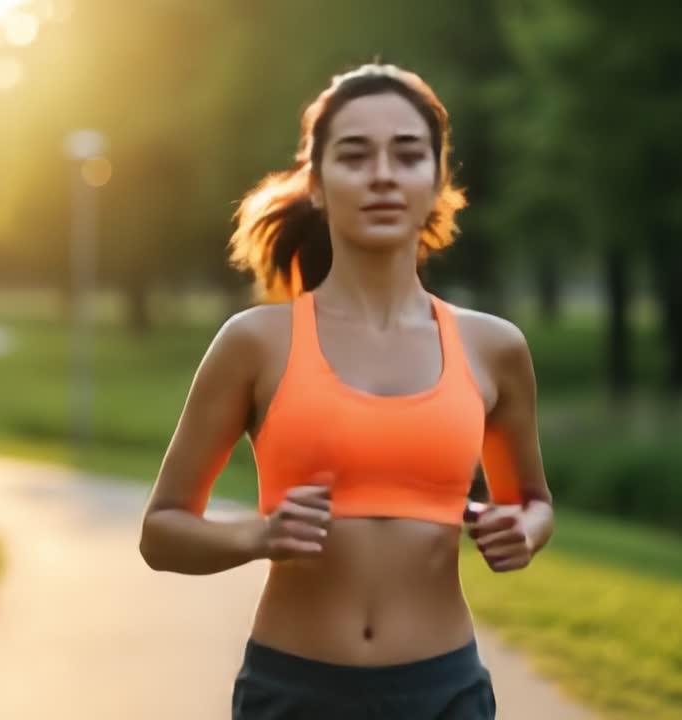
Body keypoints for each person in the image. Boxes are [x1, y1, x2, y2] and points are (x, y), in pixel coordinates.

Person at [138, 63, 555, 719]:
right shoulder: (256, 343)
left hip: (445, 695)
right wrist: (261, 535)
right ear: (318, 184)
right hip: (294, 695)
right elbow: (161, 535)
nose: (383, 174)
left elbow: (533, 502)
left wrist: (523, 531)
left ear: (438, 179)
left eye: (408, 154)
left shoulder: (494, 348)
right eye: (355, 155)